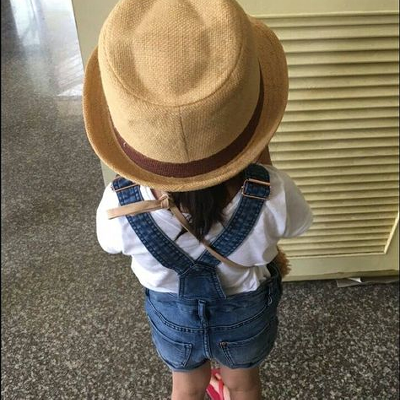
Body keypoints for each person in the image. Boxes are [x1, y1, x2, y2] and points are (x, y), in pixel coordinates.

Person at [83, 1, 313, 399]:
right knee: (244, 385)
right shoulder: (272, 191)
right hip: (245, 314)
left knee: (186, 387)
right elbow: (298, 225)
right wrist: (259, 159)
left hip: (173, 317)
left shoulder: (119, 204)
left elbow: (109, 244)